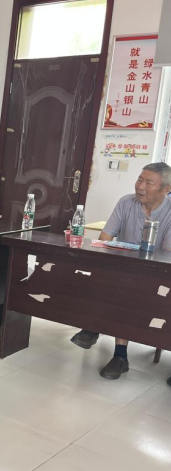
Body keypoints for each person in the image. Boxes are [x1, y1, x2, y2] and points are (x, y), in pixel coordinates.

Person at [70, 162, 171, 381]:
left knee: (126, 291)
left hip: (159, 276)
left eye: (149, 182)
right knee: (112, 283)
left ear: (166, 189)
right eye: (140, 179)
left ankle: (98, 331)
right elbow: (105, 238)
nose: (140, 186)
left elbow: (166, 256)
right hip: (126, 272)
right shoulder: (126, 202)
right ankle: (116, 351)